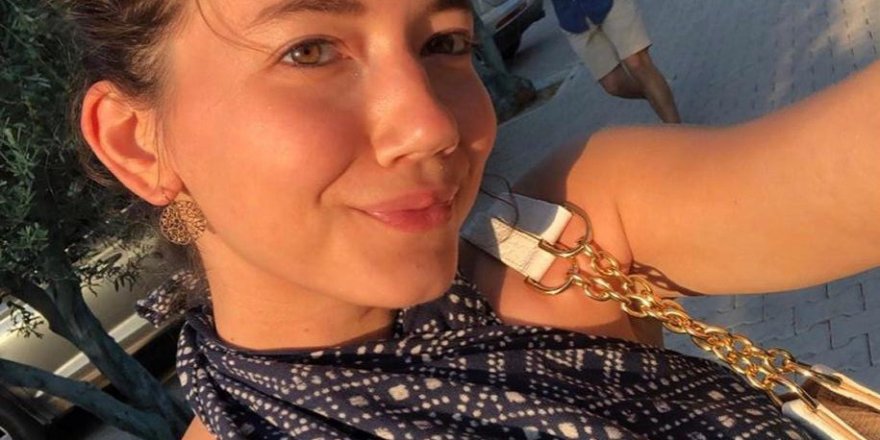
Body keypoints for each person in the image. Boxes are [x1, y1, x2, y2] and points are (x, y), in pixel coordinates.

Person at [64, 0, 879, 439]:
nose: (433, 125)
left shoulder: (567, 246)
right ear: (138, 142)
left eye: (442, 43)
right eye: (310, 50)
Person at [550, 0, 682, 123]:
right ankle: (658, 89)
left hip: (612, 4)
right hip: (572, 18)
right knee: (614, 85)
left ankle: (677, 132)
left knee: (637, 63)